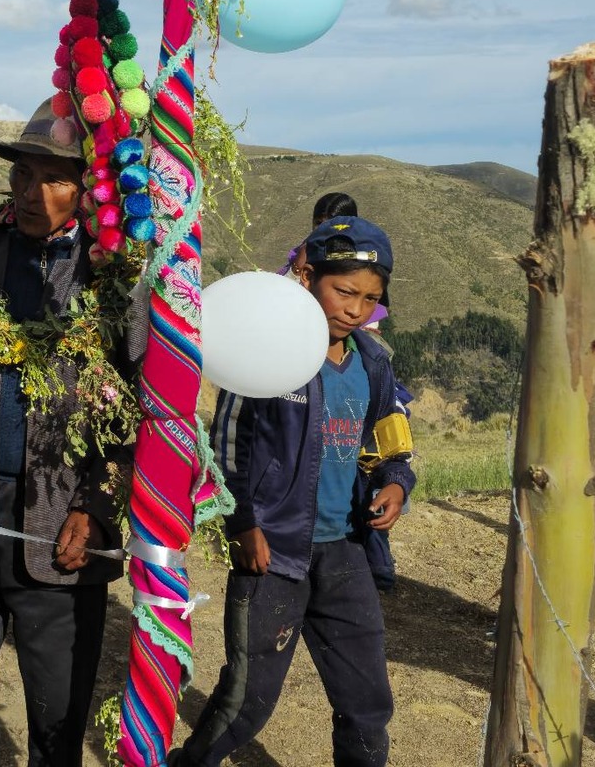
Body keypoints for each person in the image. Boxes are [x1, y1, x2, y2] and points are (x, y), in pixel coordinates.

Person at [0, 104, 136, 767]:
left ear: (90, 188)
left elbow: (138, 409)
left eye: (56, 179)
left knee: (58, 709)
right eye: (23, 175)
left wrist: (96, 507)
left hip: (63, 521)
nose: (33, 193)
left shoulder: (116, 278)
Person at [179, 216, 416, 767]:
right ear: (307, 278)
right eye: (345, 291)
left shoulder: (373, 363)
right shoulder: (270, 352)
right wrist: (242, 523)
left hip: (346, 552)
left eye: (370, 299)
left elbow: (391, 441)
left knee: (367, 703)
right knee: (247, 702)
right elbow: (227, 446)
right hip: (275, 554)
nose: (355, 310)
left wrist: (396, 483)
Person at [281, 193, 387, 331]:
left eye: (333, 224)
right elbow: (281, 297)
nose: (324, 230)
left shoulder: (361, 257)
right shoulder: (303, 252)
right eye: (319, 223)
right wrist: (296, 269)